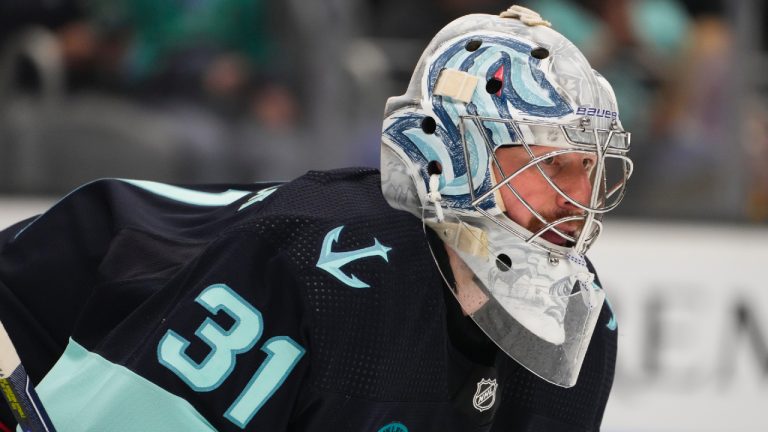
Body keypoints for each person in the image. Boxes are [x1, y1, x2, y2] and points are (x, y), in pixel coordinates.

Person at [0, 6, 631, 431]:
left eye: (590, 166)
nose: (578, 197)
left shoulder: (582, 317)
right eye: (550, 165)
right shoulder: (315, 268)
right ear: (450, 156)